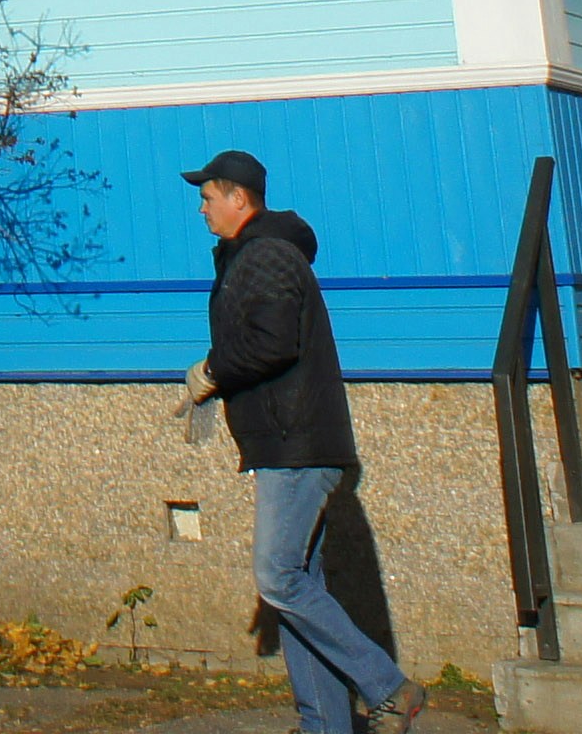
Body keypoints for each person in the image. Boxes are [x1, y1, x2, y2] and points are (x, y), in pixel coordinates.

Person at [178, 148, 421, 734]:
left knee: (277, 577)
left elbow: (272, 343)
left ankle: (390, 687)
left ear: (240, 197)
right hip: (287, 444)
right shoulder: (253, 254)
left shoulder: (265, 254)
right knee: (296, 589)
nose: (203, 209)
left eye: (209, 197)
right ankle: (325, 725)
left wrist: (211, 371)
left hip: (298, 445)